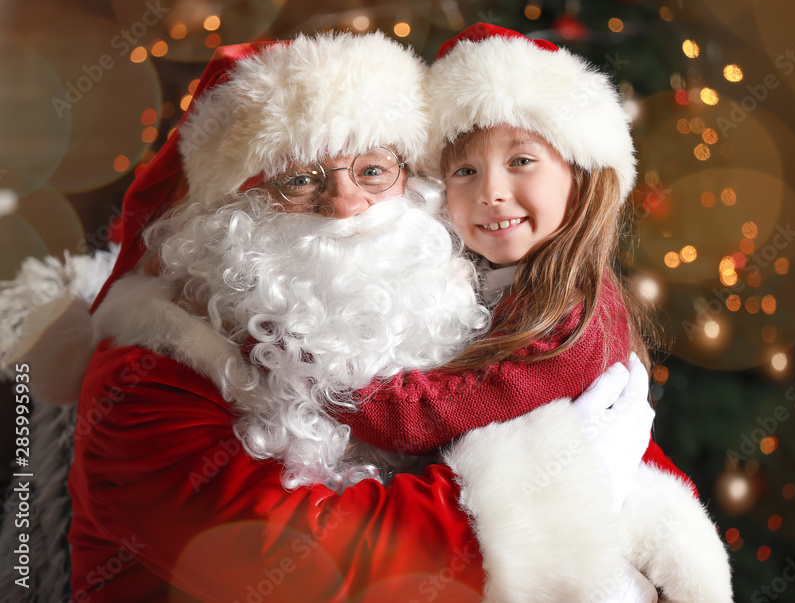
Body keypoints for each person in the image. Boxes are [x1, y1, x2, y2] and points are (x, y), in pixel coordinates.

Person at [66, 31, 663, 603]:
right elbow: (312, 568)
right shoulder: (142, 379)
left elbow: (589, 429)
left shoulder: (442, 300)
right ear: (228, 209)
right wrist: (554, 488)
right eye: (299, 180)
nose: (347, 205)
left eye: (374, 171)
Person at [332, 24, 733, 603]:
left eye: (521, 160)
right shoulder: (474, 287)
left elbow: (446, 410)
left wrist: (338, 394)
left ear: (582, 176)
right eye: (464, 171)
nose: (491, 191)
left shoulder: (574, 314)